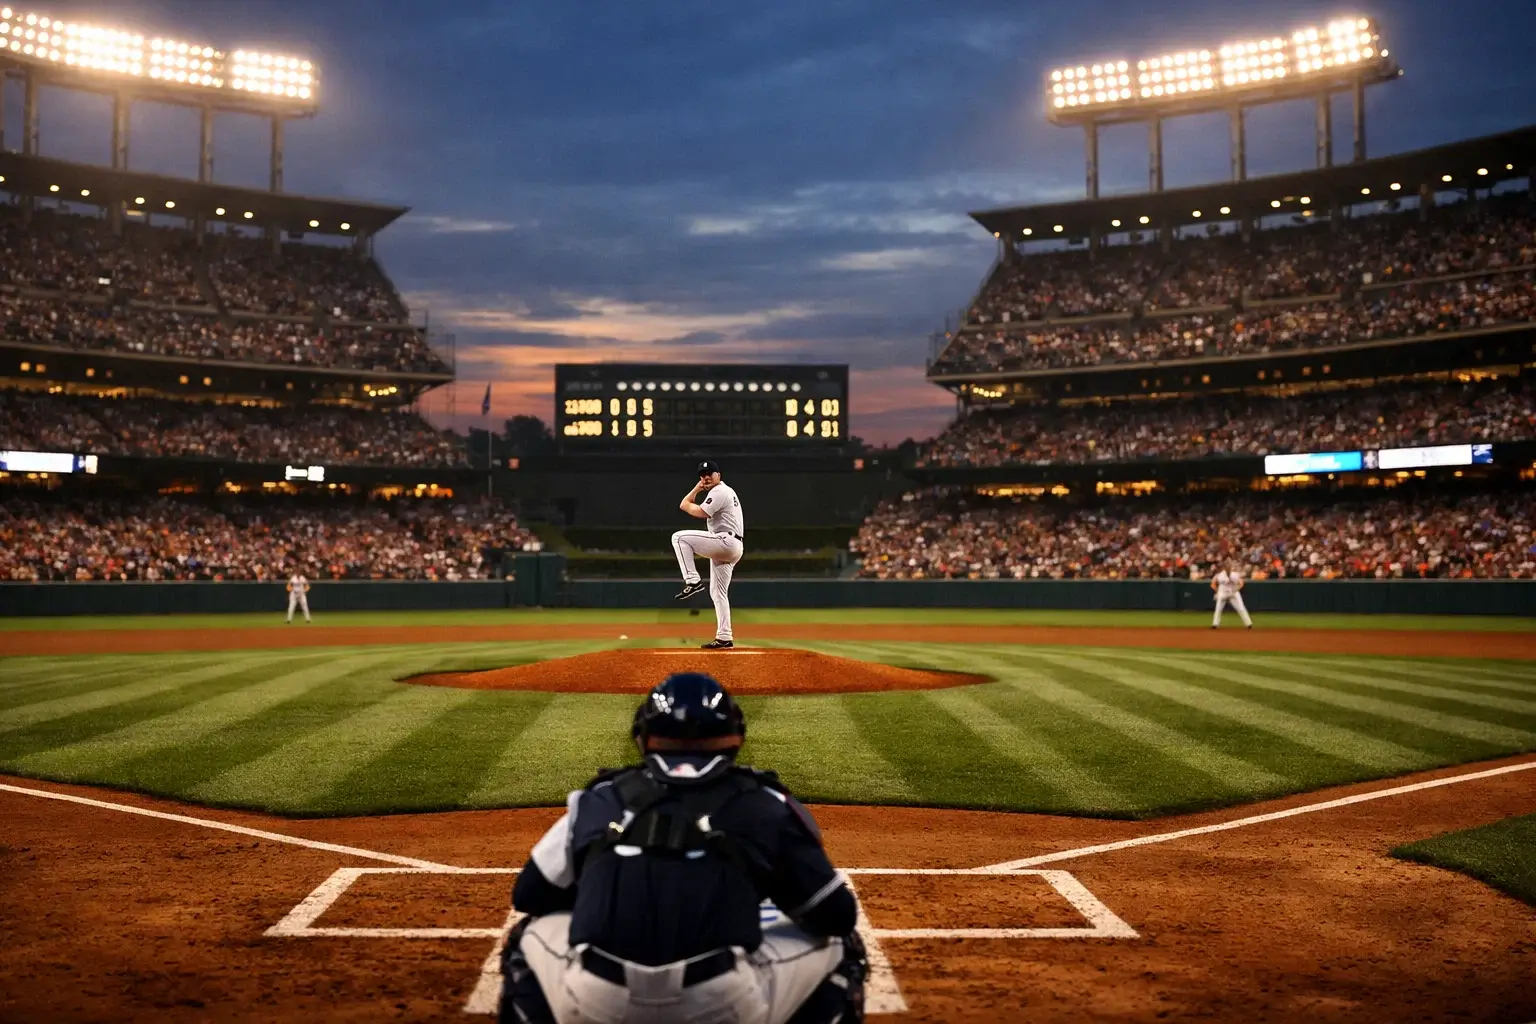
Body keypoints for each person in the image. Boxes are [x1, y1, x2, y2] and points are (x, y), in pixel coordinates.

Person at [499, 672, 866, 1024]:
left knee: (526, 935)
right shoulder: (763, 805)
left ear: (643, 736)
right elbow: (834, 916)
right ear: (735, 737)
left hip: (595, 1003)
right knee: (843, 944)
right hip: (722, 1005)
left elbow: (529, 895)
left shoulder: (600, 799)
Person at [670, 460, 744, 650]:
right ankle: (724, 636)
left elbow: (693, 509)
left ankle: (693, 581)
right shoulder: (724, 491)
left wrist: (695, 492)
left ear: (719, 475)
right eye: (703, 475)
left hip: (725, 541)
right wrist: (697, 488)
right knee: (718, 593)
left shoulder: (720, 491)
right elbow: (684, 505)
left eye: (710, 473)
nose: (706, 477)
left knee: (679, 538)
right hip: (732, 545)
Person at [1211, 563, 1253, 629]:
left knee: (1241, 607)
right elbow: (1213, 584)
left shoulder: (1235, 575)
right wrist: (1217, 592)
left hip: (1233, 592)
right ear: (1224, 569)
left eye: (1229, 568)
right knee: (1218, 609)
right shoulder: (1220, 575)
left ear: (1230, 569)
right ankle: (1215, 624)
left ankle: (1248, 624)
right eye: (1227, 568)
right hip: (1223, 593)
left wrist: (1237, 589)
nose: (1228, 569)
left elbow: (1241, 583)